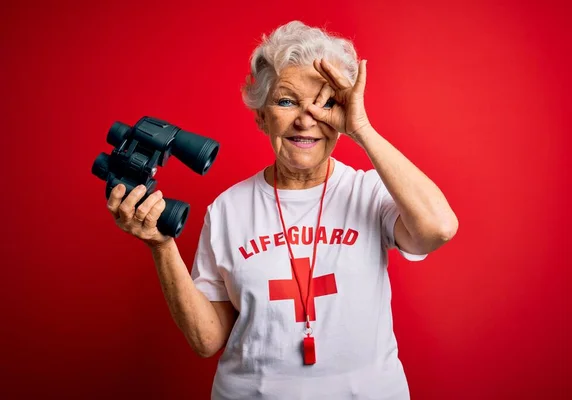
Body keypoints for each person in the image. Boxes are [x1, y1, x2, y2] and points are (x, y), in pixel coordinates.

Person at [106, 20, 458, 400]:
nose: (306, 120)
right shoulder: (228, 210)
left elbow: (437, 228)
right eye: (286, 101)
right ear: (261, 116)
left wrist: (361, 128)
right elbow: (207, 339)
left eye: (325, 103)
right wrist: (161, 246)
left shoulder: (370, 191)